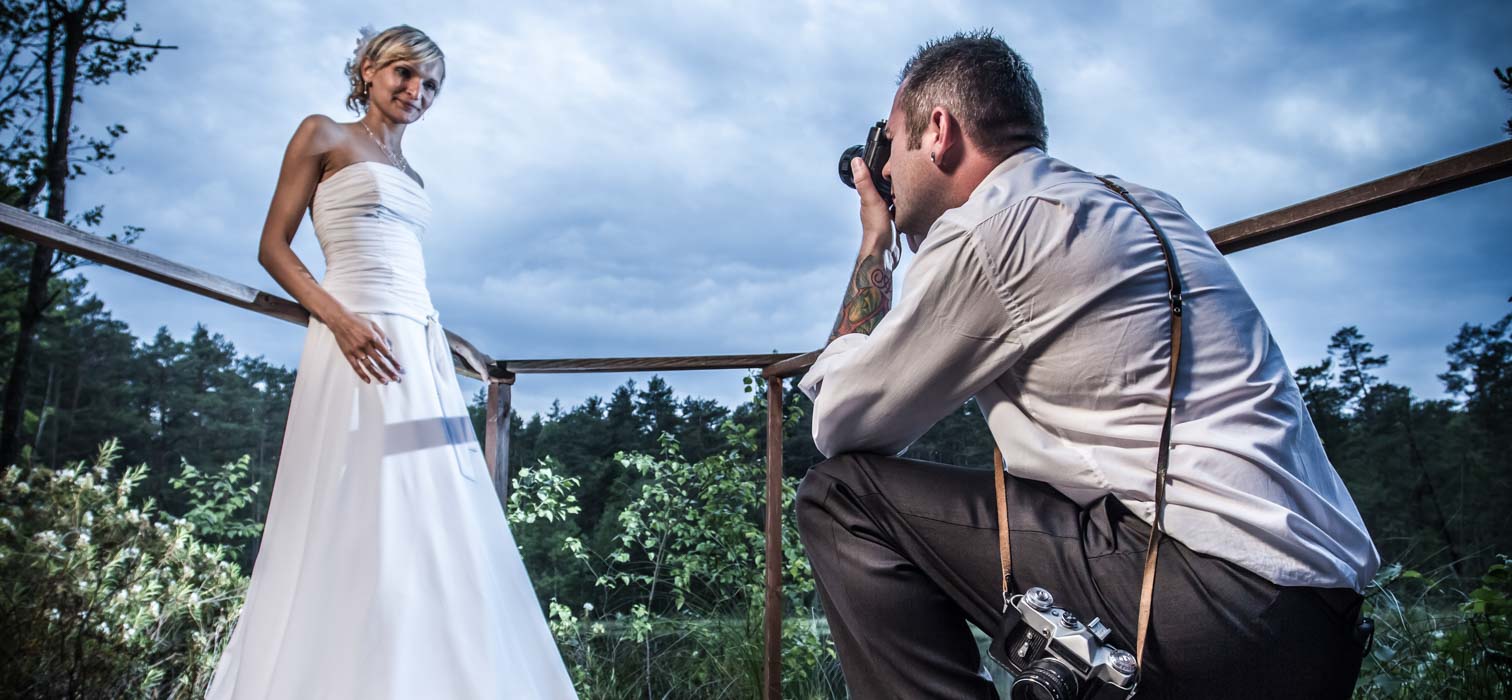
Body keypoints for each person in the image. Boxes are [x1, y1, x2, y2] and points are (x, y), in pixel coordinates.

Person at [795, 31, 1379, 699]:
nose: (887, 172)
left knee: (841, 496)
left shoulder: (994, 227)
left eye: (890, 145)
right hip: (1319, 622)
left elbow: (840, 422)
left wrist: (876, 241)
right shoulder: (1144, 205)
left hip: (1213, 605)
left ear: (939, 131)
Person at [206, 25, 577, 698]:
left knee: (430, 509)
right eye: (405, 73)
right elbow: (273, 247)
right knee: (360, 499)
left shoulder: (413, 174)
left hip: (419, 346)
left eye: (431, 84)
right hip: (353, 335)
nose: (417, 91)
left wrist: (437, 342)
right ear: (369, 69)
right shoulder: (322, 134)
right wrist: (340, 320)